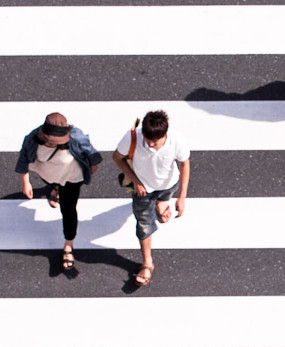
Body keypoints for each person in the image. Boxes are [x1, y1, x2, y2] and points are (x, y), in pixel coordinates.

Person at [111, 110, 191, 287]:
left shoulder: (177, 141)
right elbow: (117, 157)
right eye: (148, 141)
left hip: (169, 184)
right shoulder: (133, 137)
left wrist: (182, 197)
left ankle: (162, 204)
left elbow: (184, 164)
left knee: (164, 198)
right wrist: (136, 181)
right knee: (144, 224)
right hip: (143, 190)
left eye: (155, 142)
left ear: (165, 134)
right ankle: (148, 263)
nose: (151, 145)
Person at [15, 112, 103, 270]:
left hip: (71, 178)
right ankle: (55, 189)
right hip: (47, 174)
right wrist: (25, 182)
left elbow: (92, 154)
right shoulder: (32, 138)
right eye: (49, 141)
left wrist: (91, 168)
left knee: (68, 210)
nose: (51, 144)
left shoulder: (76, 137)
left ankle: (68, 244)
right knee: (52, 182)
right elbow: (23, 158)